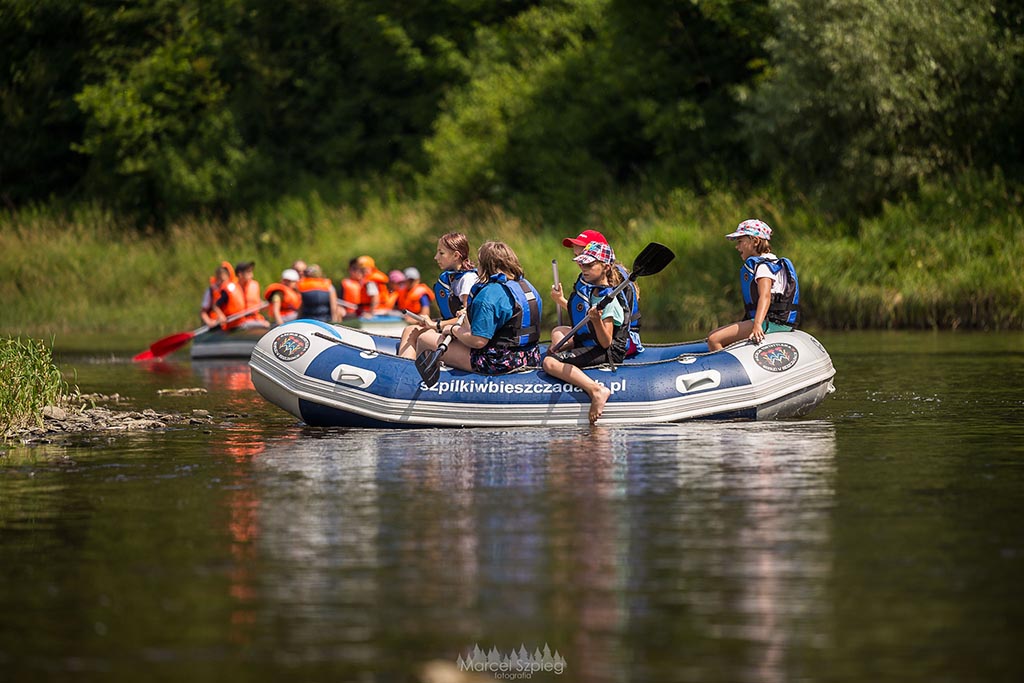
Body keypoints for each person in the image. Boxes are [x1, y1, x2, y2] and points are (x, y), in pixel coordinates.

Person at [413, 241, 542, 374]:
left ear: (485, 266)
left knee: (425, 338)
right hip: (530, 356)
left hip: (498, 361)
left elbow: (478, 341)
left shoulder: (488, 295)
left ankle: (410, 382)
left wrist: (453, 329)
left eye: (479, 262)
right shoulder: (527, 287)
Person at [544, 242, 629, 423]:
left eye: (590, 265)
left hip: (605, 351)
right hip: (589, 344)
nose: (584, 269)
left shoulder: (609, 301)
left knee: (549, 363)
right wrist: (561, 300)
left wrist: (597, 320)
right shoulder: (591, 292)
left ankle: (596, 390)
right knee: (555, 340)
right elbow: (581, 316)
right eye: (582, 264)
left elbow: (606, 342)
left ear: (605, 267)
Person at [707, 219, 801, 351]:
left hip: (772, 322)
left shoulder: (763, 266)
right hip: (773, 321)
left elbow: (765, 296)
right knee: (711, 335)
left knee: (714, 339)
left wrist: (757, 325)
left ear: (755, 241)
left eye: (740, 241)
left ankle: (725, 369)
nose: (737, 246)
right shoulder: (769, 262)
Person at [557, 229, 643, 356]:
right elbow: (586, 311)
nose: (580, 264)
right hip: (597, 333)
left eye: (582, 257)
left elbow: (611, 321)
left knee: (559, 345)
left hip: (622, 341)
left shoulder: (614, 282)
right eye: (577, 257)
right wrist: (561, 300)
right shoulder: (590, 278)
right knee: (557, 332)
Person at [397, 232, 477, 358]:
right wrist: (431, 322)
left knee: (423, 337)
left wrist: (436, 325)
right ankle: (403, 368)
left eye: (441, 253)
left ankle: (408, 373)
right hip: (451, 330)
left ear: (456, 255)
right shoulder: (451, 278)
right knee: (409, 330)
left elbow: (468, 317)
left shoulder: (467, 280)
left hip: (462, 336)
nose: (436, 257)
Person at [202, 261, 247, 330]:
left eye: (223, 280)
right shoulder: (211, 290)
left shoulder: (230, 289)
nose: (221, 283)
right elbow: (204, 311)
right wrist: (210, 322)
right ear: (216, 278)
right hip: (215, 324)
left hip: (231, 323)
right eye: (219, 279)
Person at [234, 261, 270, 328]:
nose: (252, 275)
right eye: (248, 272)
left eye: (251, 272)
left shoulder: (254, 285)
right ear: (240, 274)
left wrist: (266, 304)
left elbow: (257, 301)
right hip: (239, 321)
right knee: (265, 325)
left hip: (255, 318)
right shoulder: (232, 288)